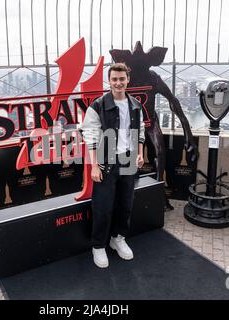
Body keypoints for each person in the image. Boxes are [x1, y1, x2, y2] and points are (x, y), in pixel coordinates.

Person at [80, 63, 145, 268]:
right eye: (114, 79)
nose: (118, 82)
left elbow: (140, 131)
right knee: (103, 206)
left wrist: (140, 154)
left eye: (122, 79)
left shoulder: (135, 104)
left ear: (128, 80)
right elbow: (89, 135)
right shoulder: (97, 105)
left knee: (126, 203)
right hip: (106, 159)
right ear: (109, 81)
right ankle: (98, 245)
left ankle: (118, 238)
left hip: (129, 158)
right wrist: (94, 165)